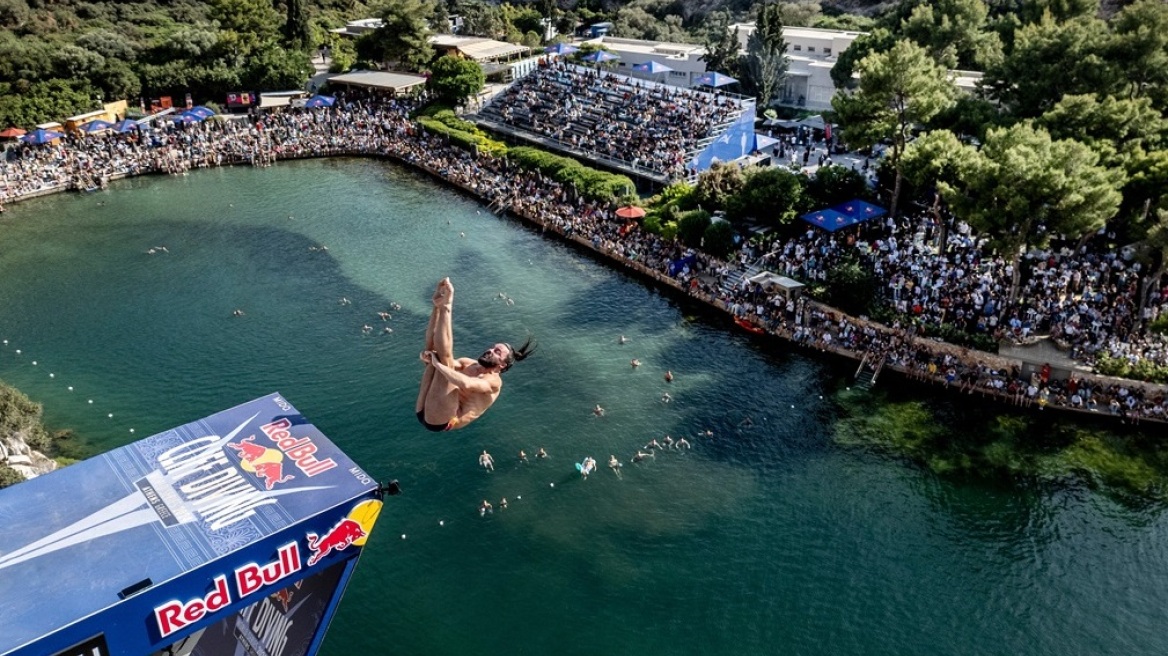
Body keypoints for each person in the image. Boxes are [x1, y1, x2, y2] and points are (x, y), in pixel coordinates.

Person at [416, 278, 535, 432]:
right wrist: (427, 358)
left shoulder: (494, 383)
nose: (490, 350)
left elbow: (465, 384)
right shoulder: (468, 363)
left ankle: (447, 306)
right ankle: (438, 306)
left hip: (443, 420)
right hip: (424, 409)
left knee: (443, 361)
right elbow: (437, 355)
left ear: (503, 365)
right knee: (434, 353)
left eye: (497, 352)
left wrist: (436, 364)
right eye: (492, 348)